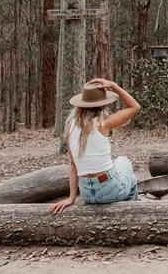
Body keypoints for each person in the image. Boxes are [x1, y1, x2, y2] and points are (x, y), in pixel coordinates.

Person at [50, 79, 141, 213]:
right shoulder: (102, 123)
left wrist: (71, 198)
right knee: (124, 164)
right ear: (102, 104)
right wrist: (114, 86)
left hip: (87, 194)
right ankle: (131, 216)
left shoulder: (70, 126)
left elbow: (73, 165)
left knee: (122, 171)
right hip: (110, 190)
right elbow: (135, 107)